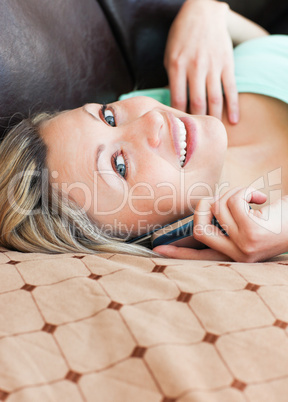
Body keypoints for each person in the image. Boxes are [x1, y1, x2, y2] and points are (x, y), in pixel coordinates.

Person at [0, 1, 287, 262]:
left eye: (108, 116)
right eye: (120, 165)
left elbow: (271, 52)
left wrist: (208, 14)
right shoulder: (272, 244)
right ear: (145, 239)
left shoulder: (186, 93)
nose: (152, 120)